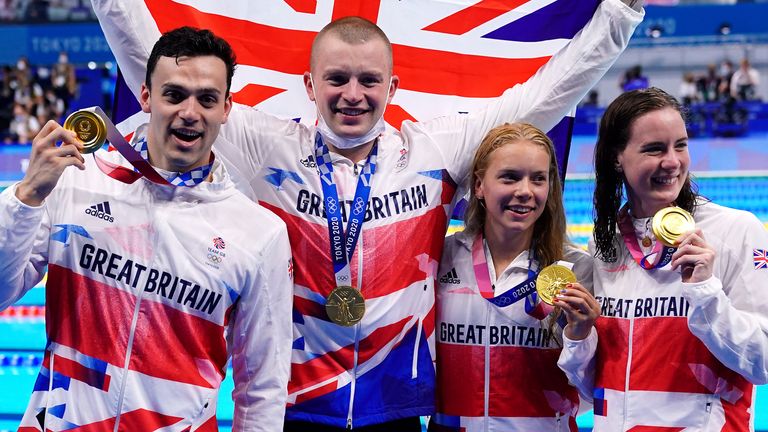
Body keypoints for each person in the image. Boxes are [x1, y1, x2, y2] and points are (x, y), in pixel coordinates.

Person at [92, 1, 644, 429]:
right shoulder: (270, 150)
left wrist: (619, 13)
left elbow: (546, 95)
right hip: (294, 409)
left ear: (392, 87)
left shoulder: (431, 152)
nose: (352, 95)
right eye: (336, 79)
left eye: (368, 81)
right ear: (309, 85)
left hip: (398, 412)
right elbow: (153, 60)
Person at [0, 27, 293, 431]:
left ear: (226, 108)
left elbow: (262, 385)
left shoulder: (259, 233)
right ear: (146, 98)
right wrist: (26, 197)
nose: (189, 112)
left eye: (207, 99)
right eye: (174, 94)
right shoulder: (77, 183)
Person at [560, 87, 768, 430]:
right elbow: (590, 389)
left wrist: (705, 293)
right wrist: (578, 335)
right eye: (654, 149)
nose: (672, 162)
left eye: (680, 145)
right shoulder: (605, 245)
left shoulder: (737, 231)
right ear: (617, 157)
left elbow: (761, 362)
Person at [431, 123, 599, 431]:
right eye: (510, 177)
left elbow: (591, 393)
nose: (525, 191)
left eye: (538, 179)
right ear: (480, 185)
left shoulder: (576, 269)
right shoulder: (441, 259)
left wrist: (581, 336)